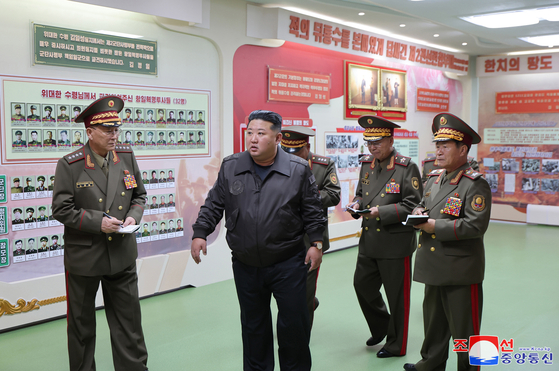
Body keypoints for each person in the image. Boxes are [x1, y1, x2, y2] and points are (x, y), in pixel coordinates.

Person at [191, 110, 326, 371]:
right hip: (246, 264)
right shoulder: (232, 166)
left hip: (288, 263)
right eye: (250, 132)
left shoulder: (297, 170)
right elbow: (214, 204)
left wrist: (316, 244)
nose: (253, 139)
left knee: (293, 328)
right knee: (254, 328)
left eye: (261, 133)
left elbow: (313, 210)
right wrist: (200, 233)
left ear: (278, 138)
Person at [52, 95, 148, 371]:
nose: (113, 135)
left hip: (122, 255)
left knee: (129, 325)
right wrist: (98, 222)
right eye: (107, 130)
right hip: (85, 257)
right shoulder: (70, 164)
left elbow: (139, 195)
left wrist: (134, 215)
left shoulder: (126, 157)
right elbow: (61, 209)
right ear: (90, 131)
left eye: (116, 129)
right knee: (81, 329)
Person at [403, 113, 492, 371]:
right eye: (437, 145)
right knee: (434, 324)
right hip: (433, 266)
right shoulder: (433, 178)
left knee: (465, 332)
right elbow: (423, 204)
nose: (439, 151)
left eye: (445, 146)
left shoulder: (474, 184)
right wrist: (419, 212)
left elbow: (475, 225)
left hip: (460, 269)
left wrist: (433, 226)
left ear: (463, 149)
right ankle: (430, 364)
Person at [346, 116, 422, 359]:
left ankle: (396, 345)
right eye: (369, 143)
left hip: (394, 242)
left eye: (377, 142)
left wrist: (383, 212)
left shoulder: (405, 167)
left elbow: (414, 204)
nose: (372, 147)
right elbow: (361, 192)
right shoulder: (367, 164)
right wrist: (356, 203)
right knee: (362, 286)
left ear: (390, 140)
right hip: (369, 241)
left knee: (397, 298)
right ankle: (381, 327)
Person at [280, 125, 341, 326]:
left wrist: (305, 197)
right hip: (281, 237)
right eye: (287, 151)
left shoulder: (323, 165)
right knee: (283, 287)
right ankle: (305, 306)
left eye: (297, 151)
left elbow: (333, 195)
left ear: (307, 146)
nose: (292, 156)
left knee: (305, 289)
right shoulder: (277, 162)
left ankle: (302, 331)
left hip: (310, 239)